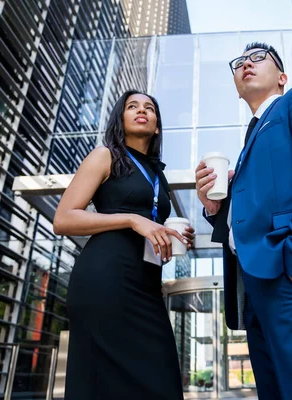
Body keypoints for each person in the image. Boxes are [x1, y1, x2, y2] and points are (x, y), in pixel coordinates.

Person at [195, 43, 292, 399]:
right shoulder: (248, 142)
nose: (246, 63)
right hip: (255, 289)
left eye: (258, 58)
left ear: (282, 77)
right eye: (239, 62)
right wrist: (214, 207)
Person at [53, 90, 194, 399]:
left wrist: (171, 239)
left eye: (149, 108)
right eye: (132, 107)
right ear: (121, 118)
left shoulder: (159, 175)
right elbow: (63, 219)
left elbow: (150, 231)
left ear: (157, 125)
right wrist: (131, 219)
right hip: (104, 282)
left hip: (146, 287)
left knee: (163, 382)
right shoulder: (105, 156)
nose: (141, 111)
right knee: (102, 385)